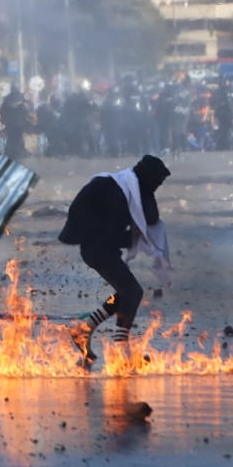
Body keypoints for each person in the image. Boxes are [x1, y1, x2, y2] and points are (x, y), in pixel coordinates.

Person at [59, 154, 172, 363]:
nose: (156, 188)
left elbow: (151, 215)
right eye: (156, 183)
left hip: (101, 249)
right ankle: (121, 350)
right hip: (97, 249)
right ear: (148, 180)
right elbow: (108, 230)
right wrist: (130, 237)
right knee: (133, 292)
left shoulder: (126, 186)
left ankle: (84, 329)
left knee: (124, 294)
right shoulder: (116, 192)